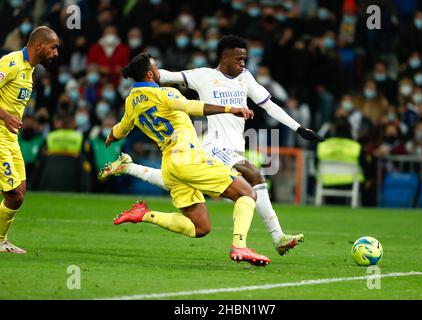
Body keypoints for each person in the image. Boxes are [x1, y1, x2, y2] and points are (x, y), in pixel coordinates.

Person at [100, 35, 324, 255]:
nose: (243, 63)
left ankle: (129, 169)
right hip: (213, 145)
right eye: (239, 59)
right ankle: (272, 238)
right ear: (225, 58)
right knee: (254, 177)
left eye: (244, 59)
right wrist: (144, 76)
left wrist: (298, 128)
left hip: (199, 152)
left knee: (195, 216)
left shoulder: (245, 78)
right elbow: (167, 77)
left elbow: (270, 106)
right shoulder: (203, 76)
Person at [105, 52, 270, 266]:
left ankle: (143, 214)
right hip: (188, 158)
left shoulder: (131, 102)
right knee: (246, 193)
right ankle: (240, 246)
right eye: (156, 68)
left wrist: (111, 135)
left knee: (200, 228)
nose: (159, 71)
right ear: (149, 74)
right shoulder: (165, 93)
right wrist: (230, 109)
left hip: (170, 167)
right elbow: (191, 106)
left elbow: (122, 129)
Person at [0, 26, 59, 253]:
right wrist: (5, 116)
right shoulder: (12, 63)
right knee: (13, 195)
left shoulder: (30, 70)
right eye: (53, 48)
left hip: (10, 139)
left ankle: (2, 241)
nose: (56, 54)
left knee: (20, 192)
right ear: (39, 45)